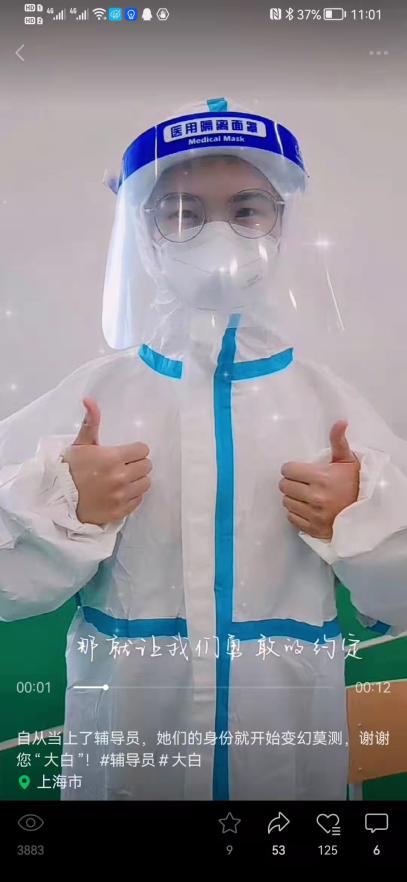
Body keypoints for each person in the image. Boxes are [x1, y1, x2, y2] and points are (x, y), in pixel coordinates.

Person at [1, 97, 407, 801]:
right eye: (182, 212)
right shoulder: (99, 396)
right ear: (144, 228)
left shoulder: (326, 402)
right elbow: (10, 587)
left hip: (284, 740)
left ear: (284, 222)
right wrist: (68, 507)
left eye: (247, 209)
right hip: (134, 736)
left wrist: (360, 520)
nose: (217, 234)